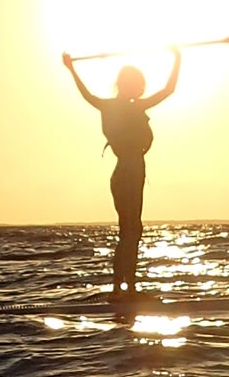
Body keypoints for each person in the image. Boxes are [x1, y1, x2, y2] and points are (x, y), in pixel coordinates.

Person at [61, 47, 181, 303]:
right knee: (131, 230)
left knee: (130, 231)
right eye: (137, 84)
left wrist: (71, 68)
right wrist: (177, 58)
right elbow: (168, 90)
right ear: (129, 86)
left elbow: (87, 96)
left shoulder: (119, 106)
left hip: (126, 173)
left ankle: (125, 288)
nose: (140, 89)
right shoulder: (128, 107)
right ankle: (124, 290)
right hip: (128, 171)